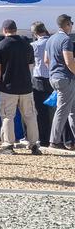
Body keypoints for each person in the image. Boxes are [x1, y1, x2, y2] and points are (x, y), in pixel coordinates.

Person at [0, 19, 39, 155]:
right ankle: (34, 144)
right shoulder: (27, 45)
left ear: (4, 30)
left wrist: (2, 79)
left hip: (8, 87)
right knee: (30, 116)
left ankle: (8, 145)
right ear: (16, 30)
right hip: (26, 86)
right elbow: (31, 66)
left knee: (8, 116)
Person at [47, 13, 75, 151]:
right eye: (72, 24)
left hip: (54, 77)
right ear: (68, 24)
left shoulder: (51, 39)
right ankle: (54, 141)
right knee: (63, 110)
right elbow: (69, 61)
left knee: (72, 110)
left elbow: (47, 60)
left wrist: (54, 72)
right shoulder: (66, 40)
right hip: (65, 78)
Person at [31, 22, 53, 147]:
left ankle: (44, 139)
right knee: (57, 110)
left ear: (34, 33)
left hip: (38, 80)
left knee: (41, 112)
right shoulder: (53, 42)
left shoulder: (33, 45)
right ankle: (58, 137)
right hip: (53, 78)